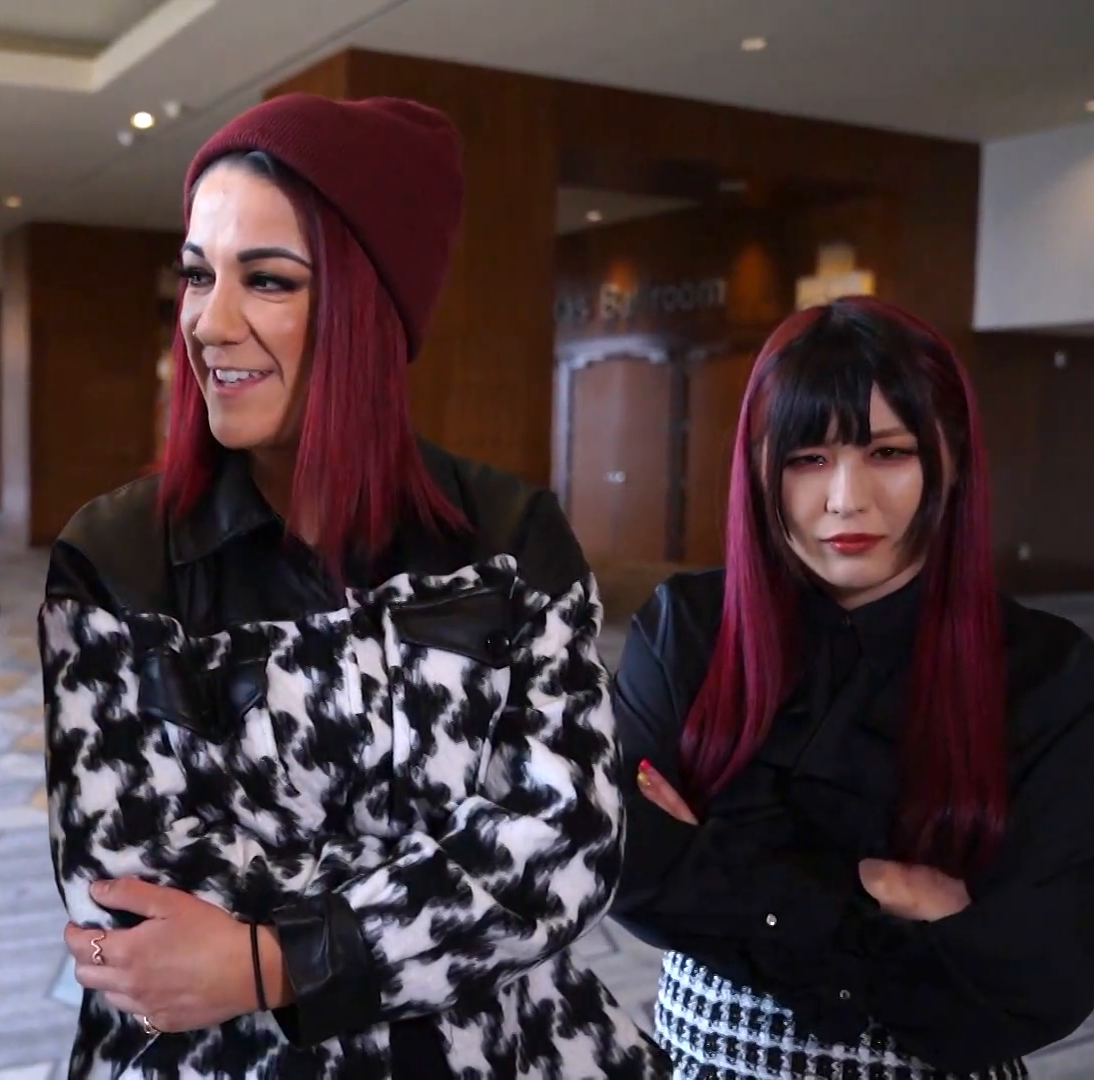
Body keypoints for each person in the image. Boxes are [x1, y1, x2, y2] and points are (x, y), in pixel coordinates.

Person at [38, 93, 668, 1079]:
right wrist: (441, 885)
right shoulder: (115, 556)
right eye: (198, 274)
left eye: (268, 280)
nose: (209, 322)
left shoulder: (509, 540)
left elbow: (565, 848)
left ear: (369, 311)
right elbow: (124, 898)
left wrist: (270, 960)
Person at [610, 297, 1094, 1079]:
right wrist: (885, 888)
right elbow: (623, 866)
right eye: (807, 459)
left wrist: (723, 873)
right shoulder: (688, 628)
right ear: (759, 468)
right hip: (701, 1058)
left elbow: (1046, 971)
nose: (846, 499)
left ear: (950, 459)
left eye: (888, 453)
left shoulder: (1045, 670)